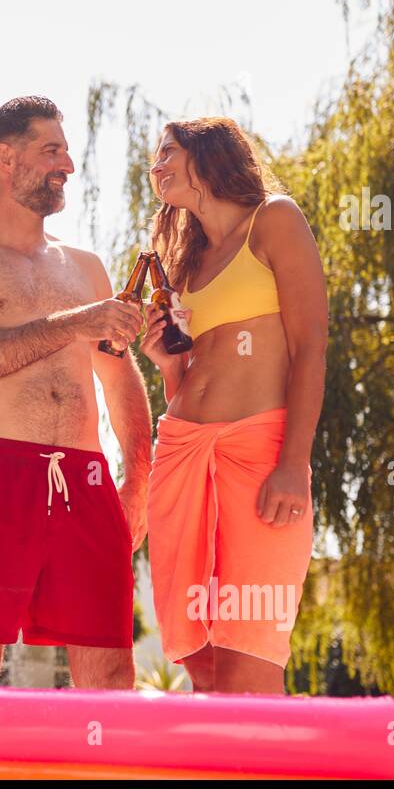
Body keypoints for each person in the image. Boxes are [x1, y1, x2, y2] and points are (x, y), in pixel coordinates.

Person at [0, 96, 151, 688]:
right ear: (6, 158)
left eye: (66, 152)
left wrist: (140, 479)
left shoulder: (87, 266)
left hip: (86, 479)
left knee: (111, 661)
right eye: (52, 150)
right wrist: (75, 322)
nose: (68, 165)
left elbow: (120, 376)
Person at [139, 117, 327, 694]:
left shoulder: (274, 219)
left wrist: (295, 463)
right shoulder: (187, 261)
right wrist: (170, 368)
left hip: (259, 450)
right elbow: (193, 381)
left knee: (250, 652)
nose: (156, 165)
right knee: (200, 659)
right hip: (180, 451)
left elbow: (310, 345)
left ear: (207, 154)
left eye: (167, 151)